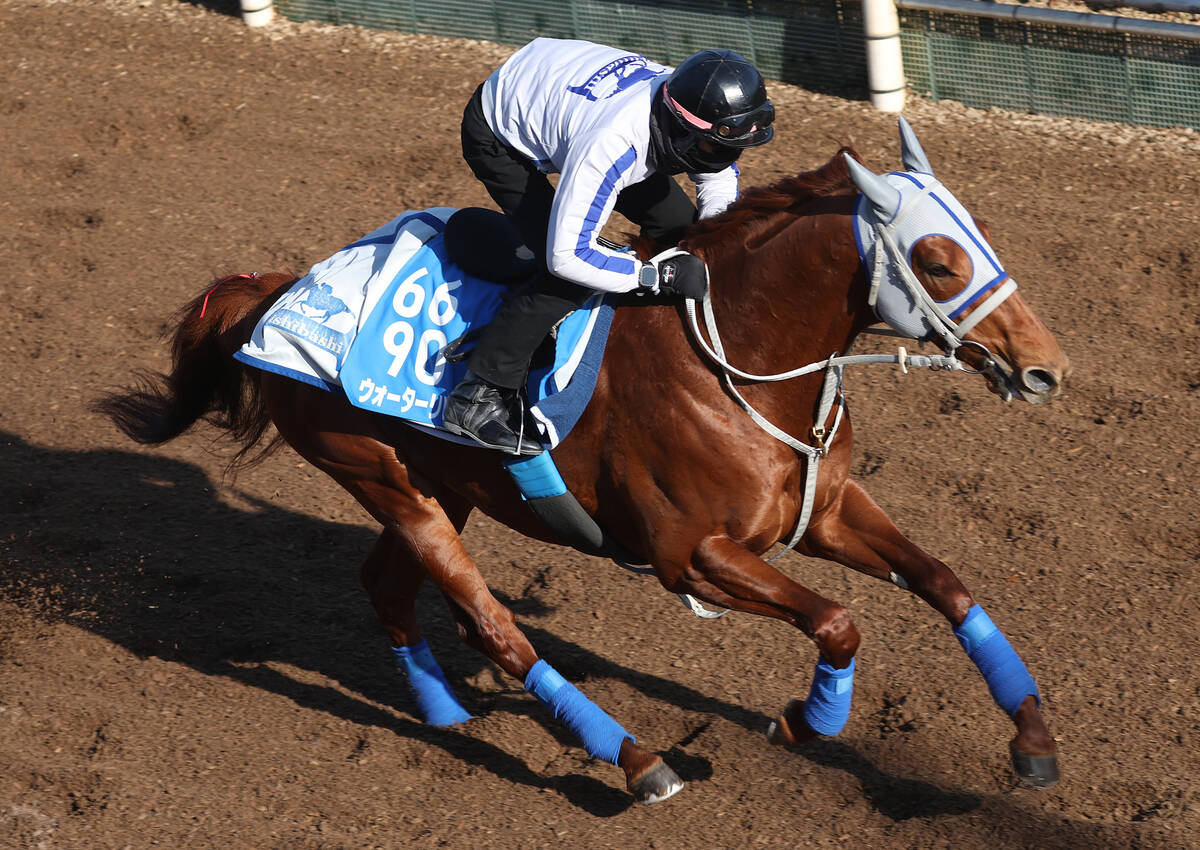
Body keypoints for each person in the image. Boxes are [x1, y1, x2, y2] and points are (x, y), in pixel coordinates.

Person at [442, 38, 776, 455]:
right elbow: (568, 257)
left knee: (679, 226)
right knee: (563, 277)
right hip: (500, 130)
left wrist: (713, 245)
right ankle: (478, 396)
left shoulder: (689, 103)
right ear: (682, 127)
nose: (724, 155)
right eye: (715, 145)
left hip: (565, 98)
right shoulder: (615, 144)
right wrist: (653, 276)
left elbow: (718, 173)